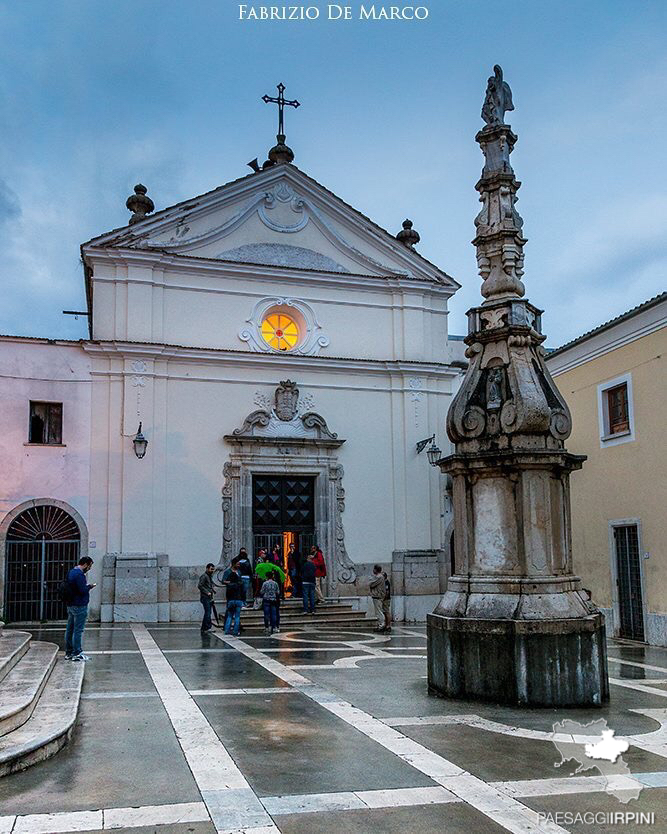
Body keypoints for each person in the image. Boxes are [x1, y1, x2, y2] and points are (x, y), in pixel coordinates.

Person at [64, 556, 96, 661]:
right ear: (86, 564)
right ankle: (77, 652)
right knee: (78, 630)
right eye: (90, 566)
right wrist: (89, 586)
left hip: (71, 604)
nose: (89, 568)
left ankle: (69, 652)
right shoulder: (79, 575)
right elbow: (82, 590)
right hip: (79, 604)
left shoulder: (71, 572)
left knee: (70, 629)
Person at [223, 557, 244, 636]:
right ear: (234, 564)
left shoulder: (239, 572)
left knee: (230, 615)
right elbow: (224, 580)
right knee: (237, 616)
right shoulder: (228, 572)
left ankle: (227, 630)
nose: (239, 565)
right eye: (238, 564)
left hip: (231, 598)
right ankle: (235, 630)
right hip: (237, 598)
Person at [260, 570, 281, 635]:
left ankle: (267, 627)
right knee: (274, 614)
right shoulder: (275, 583)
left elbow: (262, 591)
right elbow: (278, 592)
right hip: (273, 600)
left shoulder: (265, 583)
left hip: (266, 600)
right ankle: (274, 627)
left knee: (266, 614)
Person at [198, 563, 216, 634]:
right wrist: (207, 592)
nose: (212, 571)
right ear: (207, 568)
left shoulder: (209, 576)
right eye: (211, 569)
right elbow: (200, 586)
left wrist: (213, 590)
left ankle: (204, 627)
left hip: (209, 597)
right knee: (208, 612)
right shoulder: (204, 576)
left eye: (213, 569)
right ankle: (207, 627)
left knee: (208, 612)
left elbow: (208, 585)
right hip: (205, 597)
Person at [369, 564, 386, 632]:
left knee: (378, 611)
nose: (373, 570)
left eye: (374, 569)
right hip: (379, 595)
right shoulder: (380, 576)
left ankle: (381, 625)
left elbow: (371, 584)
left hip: (377, 595)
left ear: (376, 570)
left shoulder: (378, 577)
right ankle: (381, 624)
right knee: (379, 610)